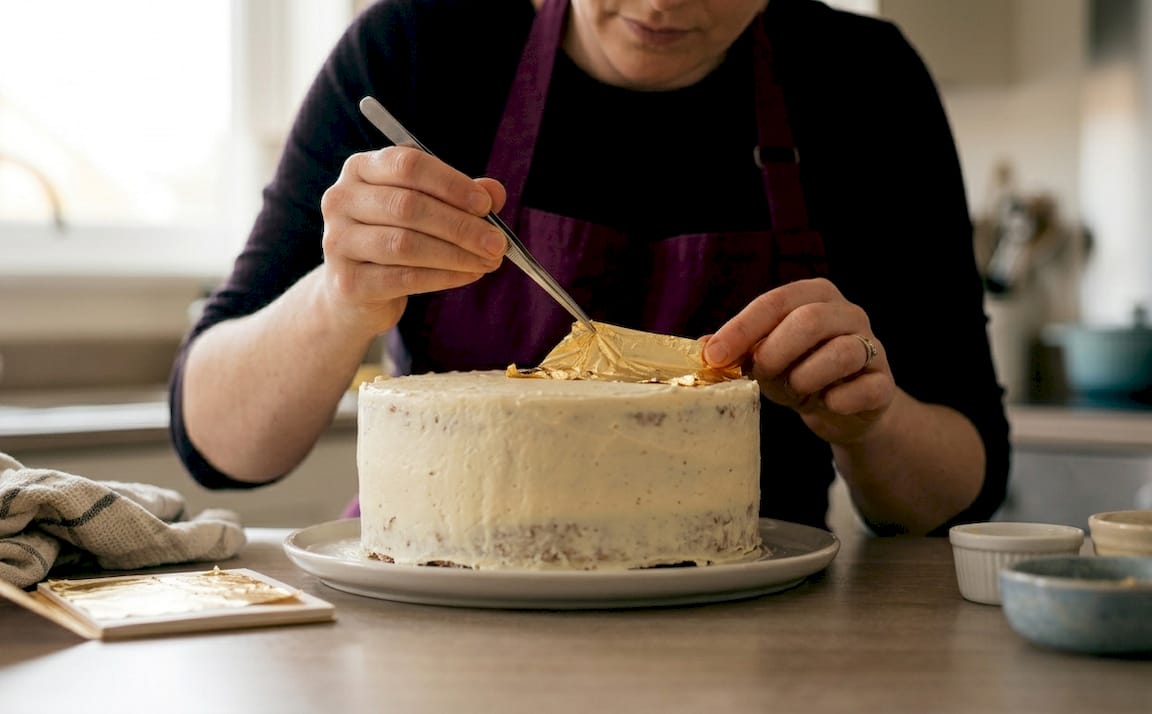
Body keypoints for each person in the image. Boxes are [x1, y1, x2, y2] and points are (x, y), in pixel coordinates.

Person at [168, 0, 1010, 536]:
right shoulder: (416, 50)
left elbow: (963, 491)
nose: (663, 3)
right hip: (432, 616)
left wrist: (874, 421)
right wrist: (337, 298)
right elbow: (221, 449)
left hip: (748, 633)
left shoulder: (866, 83)